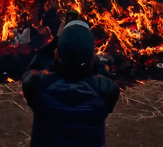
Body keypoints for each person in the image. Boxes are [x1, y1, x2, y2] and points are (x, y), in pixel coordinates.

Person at [22, 18, 120, 147]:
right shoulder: (105, 92)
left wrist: (55, 41)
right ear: (92, 58)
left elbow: (35, 67)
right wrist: (89, 55)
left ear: (56, 54)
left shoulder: (38, 86)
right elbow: (105, 76)